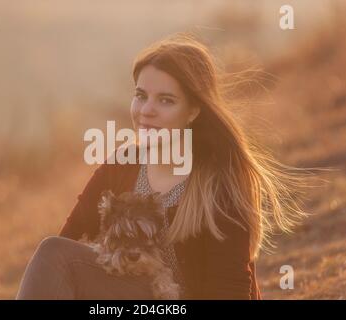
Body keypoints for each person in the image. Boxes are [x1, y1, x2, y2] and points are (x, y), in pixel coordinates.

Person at [16, 33, 311, 300]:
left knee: (54, 254)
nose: (146, 111)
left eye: (166, 101)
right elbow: (66, 252)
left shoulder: (218, 184)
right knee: (53, 252)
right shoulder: (121, 166)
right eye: (141, 96)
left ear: (193, 111)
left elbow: (230, 291)